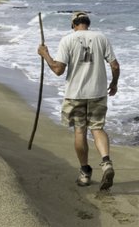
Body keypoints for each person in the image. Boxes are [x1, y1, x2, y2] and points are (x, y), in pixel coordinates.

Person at [37, 11, 121, 190]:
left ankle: (85, 173)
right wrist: (114, 83)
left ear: (73, 25)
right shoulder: (101, 37)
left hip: (75, 94)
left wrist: (45, 54)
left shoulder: (67, 40)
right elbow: (114, 65)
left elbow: (58, 70)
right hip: (98, 92)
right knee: (97, 128)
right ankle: (106, 162)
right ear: (87, 23)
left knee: (80, 132)